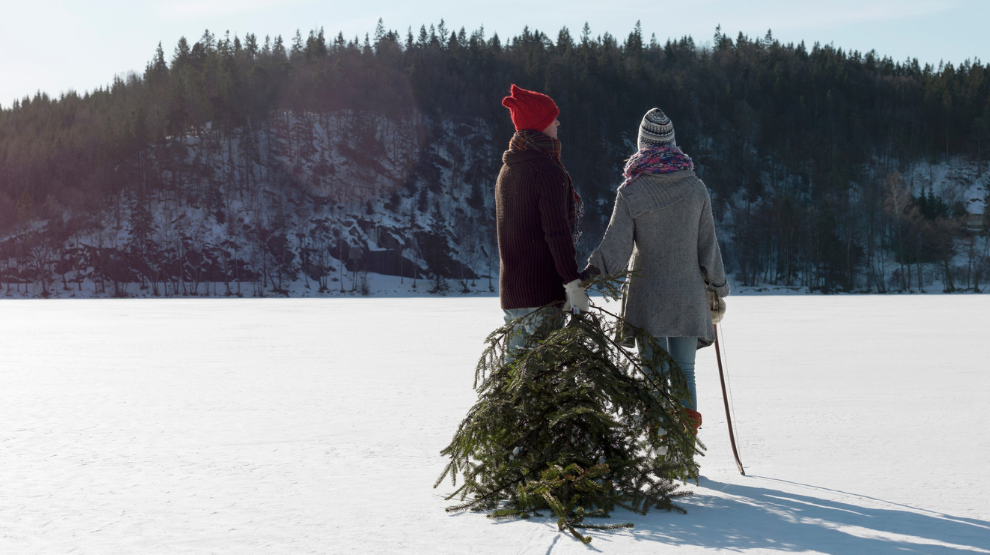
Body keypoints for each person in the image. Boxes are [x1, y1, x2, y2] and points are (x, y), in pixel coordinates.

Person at [584, 108, 729, 432]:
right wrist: (718, 288)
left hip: (647, 297)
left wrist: (589, 275)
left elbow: (615, 248)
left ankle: (663, 443)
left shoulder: (632, 191)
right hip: (688, 294)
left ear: (642, 145)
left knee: (654, 373)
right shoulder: (696, 188)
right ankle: (683, 449)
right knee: (684, 371)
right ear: (672, 144)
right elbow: (709, 246)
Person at [496, 84, 590, 358]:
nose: (558, 122)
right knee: (544, 389)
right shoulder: (546, 170)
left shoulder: (509, 168)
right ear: (539, 124)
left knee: (518, 387)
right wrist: (572, 283)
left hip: (513, 294)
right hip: (541, 295)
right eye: (552, 117)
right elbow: (556, 233)